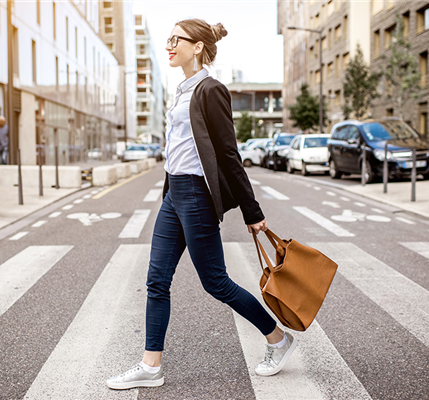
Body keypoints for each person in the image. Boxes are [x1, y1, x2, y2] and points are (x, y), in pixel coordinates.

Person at [106, 19, 297, 391]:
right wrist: (166, 193)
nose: (170, 45)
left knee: (216, 283)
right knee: (156, 280)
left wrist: (252, 212)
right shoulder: (182, 88)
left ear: (197, 47)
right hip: (173, 196)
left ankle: (278, 338)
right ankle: (150, 365)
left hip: (195, 195)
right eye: (168, 38)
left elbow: (228, 154)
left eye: (177, 39)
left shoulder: (211, 90)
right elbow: (176, 150)